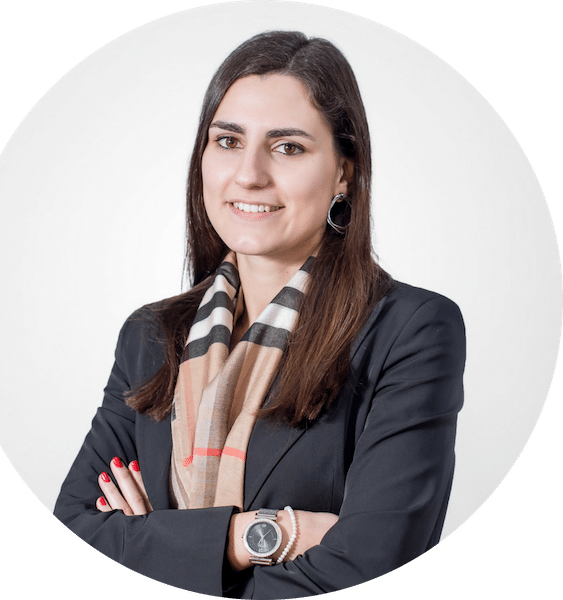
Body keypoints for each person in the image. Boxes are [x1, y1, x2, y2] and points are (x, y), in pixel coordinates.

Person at [54, 31, 465, 598]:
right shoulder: (150, 337)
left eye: (288, 147)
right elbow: (74, 537)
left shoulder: (411, 331)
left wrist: (157, 545)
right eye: (227, 141)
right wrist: (258, 535)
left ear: (344, 173)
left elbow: (370, 567)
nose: (248, 174)